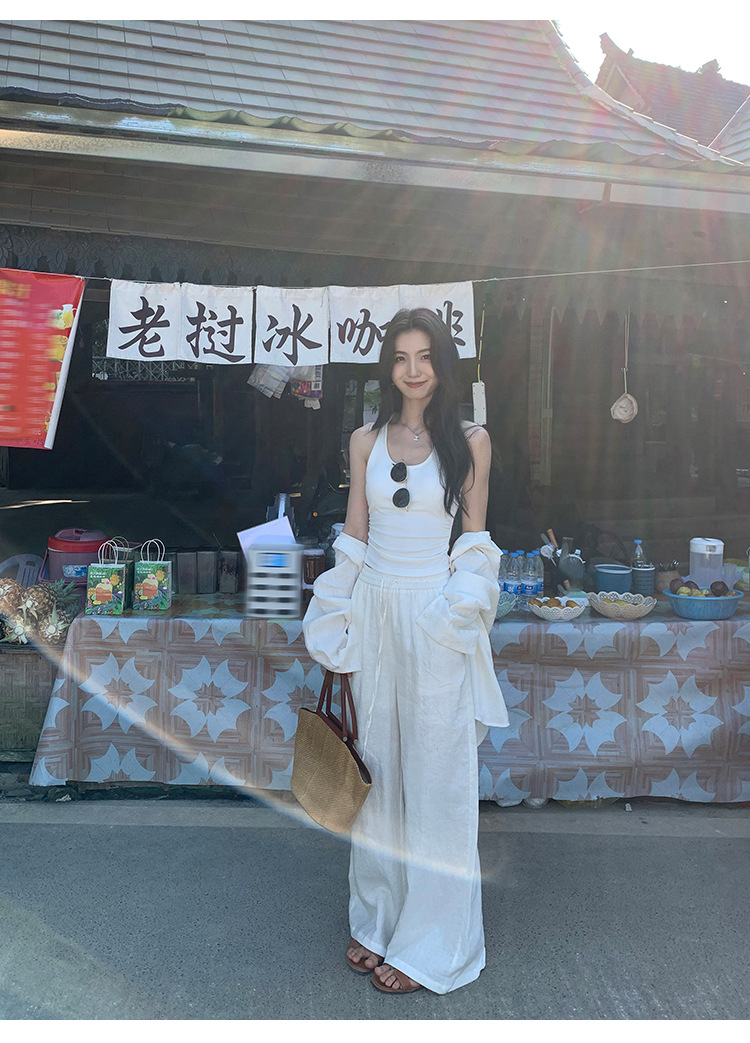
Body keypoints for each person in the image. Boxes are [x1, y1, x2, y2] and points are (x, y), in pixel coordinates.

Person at [303, 307, 509, 995]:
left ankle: (434, 942)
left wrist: (454, 616)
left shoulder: (471, 441)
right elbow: (356, 534)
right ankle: (380, 918)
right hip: (375, 613)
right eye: (400, 357)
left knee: (437, 783)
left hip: (435, 617)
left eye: (425, 356)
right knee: (379, 775)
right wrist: (336, 615)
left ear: (443, 364)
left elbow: (474, 541)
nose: (413, 370)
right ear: (386, 367)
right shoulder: (365, 439)